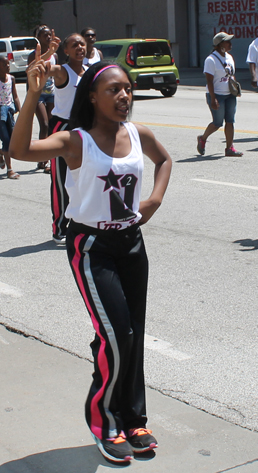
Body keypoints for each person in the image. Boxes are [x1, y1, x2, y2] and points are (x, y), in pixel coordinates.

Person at [10, 50, 172, 464]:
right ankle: (105, 421)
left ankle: (135, 418)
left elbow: (165, 160)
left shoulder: (138, 133)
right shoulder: (75, 140)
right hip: (91, 248)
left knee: (133, 331)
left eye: (127, 89)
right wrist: (31, 96)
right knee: (116, 335)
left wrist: (153, 201)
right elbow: (20, 150)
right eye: (113, 89)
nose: (124, 95)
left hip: (132, 244)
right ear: (93, 97)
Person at [46, 33, 87, 244]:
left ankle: (82, 223)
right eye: (74, 44)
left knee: (85, 178)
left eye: (82, 43)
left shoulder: (89, 73)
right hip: (63, 127)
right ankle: (59, 228)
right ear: (67, 51)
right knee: (61, 181)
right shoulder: (63, 72)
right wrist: (48, 53)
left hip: (84, 129)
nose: (80, 47)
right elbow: (42, 70)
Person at [197, 32, 243, 157]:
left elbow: (231, 75)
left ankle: (229, 148)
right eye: (227, 41)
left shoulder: (229, 57)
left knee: (230, 121)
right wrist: (213, 99)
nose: (230, 43)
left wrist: (234, 88)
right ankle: (203, 138)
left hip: (229, 95)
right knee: (217, 123)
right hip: (217, 95)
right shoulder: (211, 60)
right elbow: (209, 81)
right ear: (220, 44)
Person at [28, 25, 59, 173]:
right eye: (44, 35)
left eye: (49, 35)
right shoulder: (34, 54)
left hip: (51, 93)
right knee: (45, 124)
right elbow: (32, 69)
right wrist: (49, 52)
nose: (48, 37)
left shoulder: (55, 56)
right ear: (38, 38)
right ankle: (41, 159)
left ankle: (51, 158)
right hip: (38, 94)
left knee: (52, 125)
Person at [0, 56, 21, 179]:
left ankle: (1, 152)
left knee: (12, 140)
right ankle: (10, 170)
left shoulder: (11, 79)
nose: (8, 66)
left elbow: (15, 95)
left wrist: (20, 110)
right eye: (4, 64)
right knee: (6, 140)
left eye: (8, 64)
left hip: (9, 111)